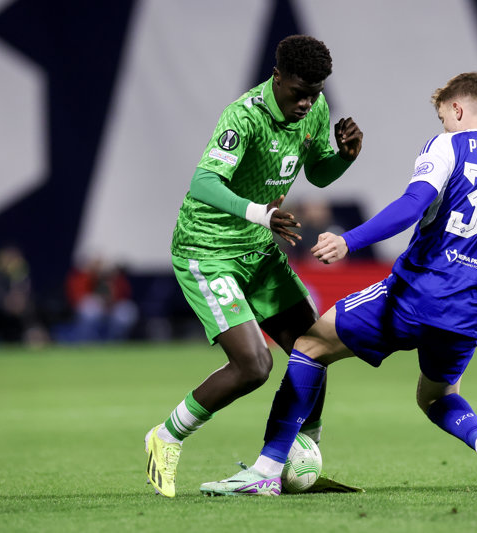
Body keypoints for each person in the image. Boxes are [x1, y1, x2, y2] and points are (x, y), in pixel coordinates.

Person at [199, 72, 477, 496]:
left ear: (457, 109)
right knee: (436, 396)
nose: (443, 124)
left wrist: (349, 240)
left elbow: (412, 205)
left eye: (442, 116)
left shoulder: (449, 146)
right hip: (470, 312)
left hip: (416, 294)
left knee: (310, 345)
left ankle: (266, 471)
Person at [144, 34, 363, 498]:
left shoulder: (313, 109)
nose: (307, 104)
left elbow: (317, 171)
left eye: (315, 94)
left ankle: (301, 457)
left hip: (257, 249)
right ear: (277, 77)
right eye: (299, 92)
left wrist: (343, 159)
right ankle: (165, 437)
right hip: (209, 250)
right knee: (254, 365)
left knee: (315, 347)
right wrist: (261, 214)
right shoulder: (243, 117)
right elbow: (203, 183)